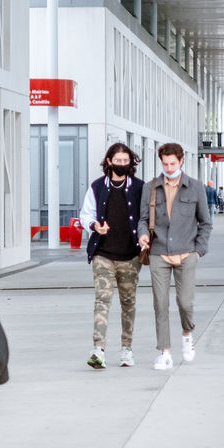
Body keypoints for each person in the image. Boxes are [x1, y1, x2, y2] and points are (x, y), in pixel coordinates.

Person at [138, 143, 212, 370]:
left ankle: (187, 334)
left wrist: (198, 251)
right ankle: (165, 352)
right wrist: (142, 235)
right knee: (160, 304)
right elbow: (142, 219)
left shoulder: (196, 187)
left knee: (185, 303)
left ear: (181, 161)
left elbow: (205, 222)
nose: (169, 168)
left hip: (187, 252)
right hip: (159, 253)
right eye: (165, 164)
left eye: (172, 163)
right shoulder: (150, 187)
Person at [79, 143, 144, 370]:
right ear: (109, 161)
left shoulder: (139, 187)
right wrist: (95, 226)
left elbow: (145, 217)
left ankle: (127, 349)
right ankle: (98, 349)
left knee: (128, 302)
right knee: (102, 300)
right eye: (118, 161)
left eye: (126, 161)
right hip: (103, 254)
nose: (122, 164)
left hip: (130, 256)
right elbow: (86, 214)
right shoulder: (97, 187)